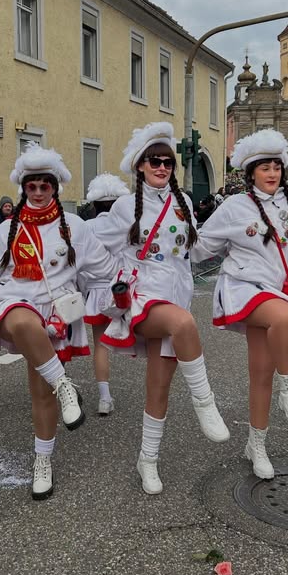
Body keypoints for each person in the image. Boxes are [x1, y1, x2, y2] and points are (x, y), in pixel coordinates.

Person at [92, 122, 229, 496]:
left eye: (167, 161)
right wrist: (116, 275)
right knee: (183, 324)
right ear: (139, 165)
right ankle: (205, 403)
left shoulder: (182, 202)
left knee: (159, 387)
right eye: (154, 160)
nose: (162, 166)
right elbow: (92, 246)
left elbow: (195, 251)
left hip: (176, 292)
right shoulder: (124, 206)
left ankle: (147, 460)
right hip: (142, 299)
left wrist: (241, 245)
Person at [0, 144, 113, 501]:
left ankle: (42, 461)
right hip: (14, 305)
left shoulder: (76, 227)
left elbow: (103, 271)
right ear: (23, 189)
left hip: (54, 317)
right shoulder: (7, 229)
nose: (37, 192)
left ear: (54, 188)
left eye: (43, 186)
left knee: (40, 393)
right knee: (21, 321)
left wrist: (128, 291)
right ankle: (67, 385)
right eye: (30, 186)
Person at [195, 130, 288, 480]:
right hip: (244, 288)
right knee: (285, 320)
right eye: (265, 167)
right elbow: (201, 247)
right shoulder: (234, 207)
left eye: (277, 165)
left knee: (261, 373)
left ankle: (256, 445)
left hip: (278, 290)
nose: (272, 172)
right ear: (251, 173)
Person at [80, 173, 131, 416]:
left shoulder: (86, 227)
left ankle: (104, 398)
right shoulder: (124, 226)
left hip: (94, 292)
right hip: (121, 291)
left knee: (100, 344)